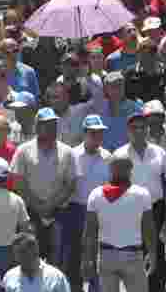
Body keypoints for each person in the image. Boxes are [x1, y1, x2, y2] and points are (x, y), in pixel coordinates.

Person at [112, 110, 166, 292]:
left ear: (147, 130)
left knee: (157, 253)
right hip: (128, 211)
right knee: (133, 253)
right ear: (127, 131)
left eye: (142, 127)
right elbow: (113, 187)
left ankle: (157, 288)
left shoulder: (159, 152)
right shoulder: (119, 154)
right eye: (134, 128)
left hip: (156, 209)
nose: (139, 131)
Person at [10, 107, 77, 266]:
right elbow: (19, 183)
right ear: (37, 126)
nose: (52, 128)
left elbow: (70, 185)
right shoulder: (23, 150)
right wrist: (38, 206)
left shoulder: (67, 152)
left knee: (57, 258)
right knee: (30, 256)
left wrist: (50, 206)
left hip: (58, 213)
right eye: (47, 124)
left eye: (54, 124)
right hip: (30, 213)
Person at [83, 152, 157, 292]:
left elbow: (89, 232)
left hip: (106, 255)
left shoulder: (96, 194)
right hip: (133, 255)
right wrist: (153, 255)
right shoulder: (142, 194)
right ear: (131, 169)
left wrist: (87, 259)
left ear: (110, 169)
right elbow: (148, 229)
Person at [63, 115, 112, 292]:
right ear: (84, 133)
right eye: (93, 133)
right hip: (75, 210)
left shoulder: (108, 157)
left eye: (100, 133)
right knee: (74, 253)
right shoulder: (71, 155)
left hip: (100, 211)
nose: (97, 137)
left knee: (98, 255)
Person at [2, 232, 70, 292]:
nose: (18, 257)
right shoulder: (9, 277)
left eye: (22, 252)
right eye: (15, 253)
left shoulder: (55, 277)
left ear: (35, 251)